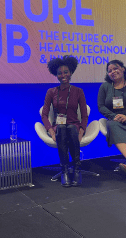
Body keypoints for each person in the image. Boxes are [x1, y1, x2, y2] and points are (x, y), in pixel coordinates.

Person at [41, 55, 88, 187]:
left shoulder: (78, 91)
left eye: (66, 72)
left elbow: (84, 116)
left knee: (72, 128)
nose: (63, 75)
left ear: (71, 72)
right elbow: (44, 115)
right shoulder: (51, 92)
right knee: (62, 128)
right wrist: (50, 130)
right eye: (60, 73)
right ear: (56, 75)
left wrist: (81, 131)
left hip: (74, 126)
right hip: (59, 127)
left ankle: (77, 168)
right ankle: (65, 170)